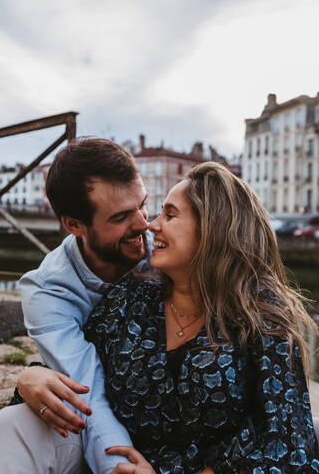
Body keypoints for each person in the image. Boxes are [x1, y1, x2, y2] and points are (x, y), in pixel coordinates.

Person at [82, 161, 319, 472]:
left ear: (213, 228)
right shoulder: (129, 299)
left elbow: (287, 442)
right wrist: (35, 377)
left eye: (170, 214)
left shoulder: (260, 316)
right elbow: (74, 368)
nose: (152, 226)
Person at [0, 137, 150, 474]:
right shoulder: (47, 289)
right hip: (98, 428)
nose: (143, 224)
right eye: (122, 217)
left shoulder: (166, 249)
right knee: (8, 428)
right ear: (74, 225)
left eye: (143, 204)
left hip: (173, 423)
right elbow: (88, 394)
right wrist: (118, 467)